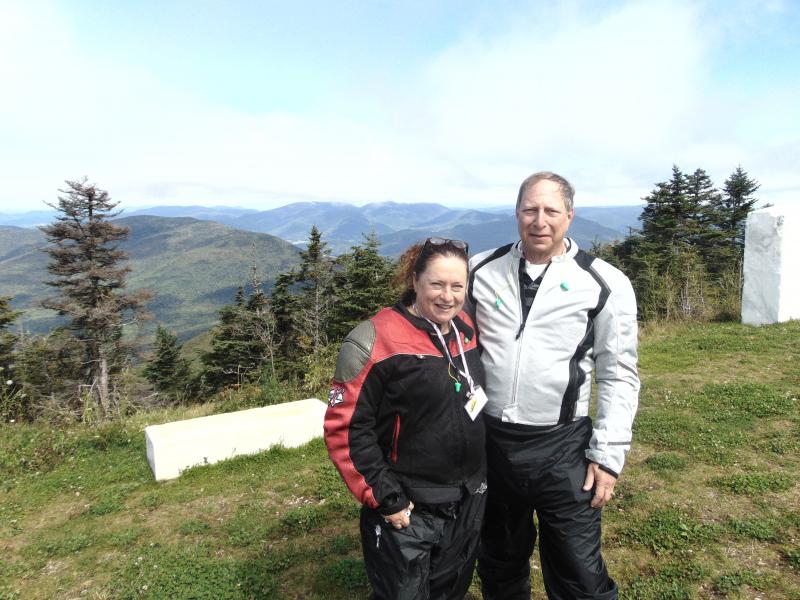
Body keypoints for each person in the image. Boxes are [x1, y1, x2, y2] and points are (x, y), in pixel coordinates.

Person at [467, 172, 640, 600]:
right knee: (500, 560)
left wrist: (608, 455)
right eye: (530, 209)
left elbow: (619, 373)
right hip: (493, 443)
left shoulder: (605, 283)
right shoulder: (479, 270)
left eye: (550, 211)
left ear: (570, 216)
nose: (539, 221)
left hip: (564, 447)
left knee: (578, 571)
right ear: (516, 213)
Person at [325, 237, 489, 600]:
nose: (448, 295)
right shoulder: (375, 339)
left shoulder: (465, 329)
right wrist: (387, 497)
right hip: (409, 507)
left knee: (450, 591)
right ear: (415, 281)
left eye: (457, 286)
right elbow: (346, 429)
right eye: (437, 284)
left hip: (467, 499)